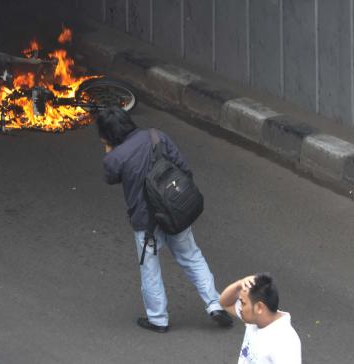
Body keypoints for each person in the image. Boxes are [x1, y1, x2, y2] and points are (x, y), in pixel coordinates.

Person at [96, 106, 232, 333]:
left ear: (108, 134)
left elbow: (111, 177)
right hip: (174, 212)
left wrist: (110, 150)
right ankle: (215, 304)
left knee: (150, 268)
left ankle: (158, 319)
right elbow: (184, 168)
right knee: (192, 257)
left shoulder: (116, 157)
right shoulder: (156, 136)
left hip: (145, 222)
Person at [219, 273, 301, 363]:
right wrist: (239, 284)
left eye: (243, 303)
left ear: (259, 307)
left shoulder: (285, 342)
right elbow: (225, 303)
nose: (240, 307)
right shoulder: (255, 320)